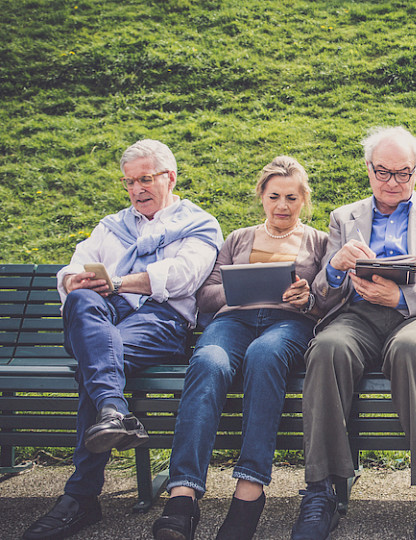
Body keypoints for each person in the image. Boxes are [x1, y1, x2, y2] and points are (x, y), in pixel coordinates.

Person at [22, 140, 223, 540]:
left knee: (95, 363)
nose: (136, 190)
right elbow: (76, 262)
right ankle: (114, 411)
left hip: (160, 321)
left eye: (145, 179)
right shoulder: (111, 225)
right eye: (129, 182)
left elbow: (183, 276)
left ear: (170, 177)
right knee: (82, 303)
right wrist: (72, 279)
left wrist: (116, 282)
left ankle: (80, 498)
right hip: (104, 316)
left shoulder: (199, 223)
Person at [290, 126, 416, 540]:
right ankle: (322, 489)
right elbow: (323, 295)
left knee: (410, 349)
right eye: (383, 172)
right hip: (359, 315)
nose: (392, 183)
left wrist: (401, 297)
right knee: (328, 348)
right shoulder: (344, 217)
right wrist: (335, 267)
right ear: (368, 170)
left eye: (403, 174)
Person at [151, 156, 329, 540]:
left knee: (263, 355)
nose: (283, 205)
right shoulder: (237, 238)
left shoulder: (319, 241)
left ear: (304, 200)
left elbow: (330, 301)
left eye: (292, 198)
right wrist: (239, 288)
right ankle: (183, 494)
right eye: (275, 196)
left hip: (289, 324)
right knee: (208, 362)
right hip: (234, 320)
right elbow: (206, 295)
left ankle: (249, 490)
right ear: (262, 197)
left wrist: (306, 298)